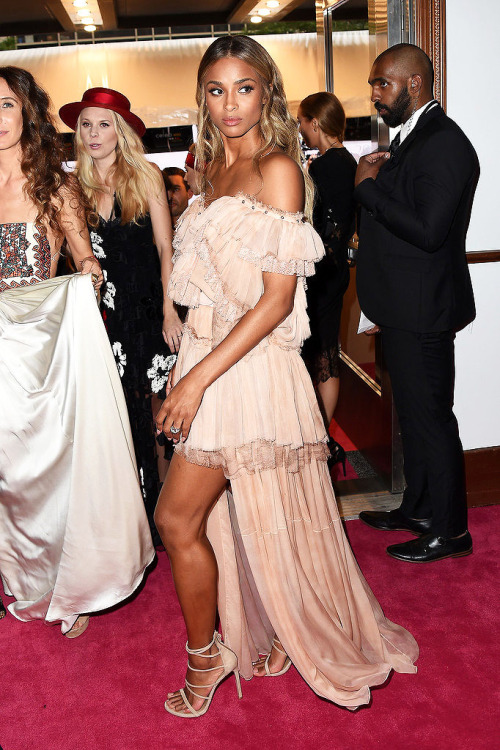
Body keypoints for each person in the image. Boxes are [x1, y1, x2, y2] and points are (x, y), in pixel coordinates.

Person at [153, 35, 418, 718]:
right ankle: (257, 634)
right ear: (203, 98)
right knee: (230, 515)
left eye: (244, 87)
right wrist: (186, 366)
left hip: (246, 368)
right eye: (216, 89)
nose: (230, 103)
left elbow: (275, 302)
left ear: (266, 92)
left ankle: (206, 657)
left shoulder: (278, 169)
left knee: (175, 518)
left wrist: (195, 381)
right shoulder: (209, 168)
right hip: (210, 357)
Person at [0, 66, 154, 637]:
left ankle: (67, 581)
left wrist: (89, 273)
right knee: (5, 473)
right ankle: (18, 575)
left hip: (42, 349)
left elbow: (83, 257)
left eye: (7, 105)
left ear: (28, 114)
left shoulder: (56, 186)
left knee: (47, 469)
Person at [354, 44, 479, 563]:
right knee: (414, 415)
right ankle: (420, 508)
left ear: (417, 84)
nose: (375, 93)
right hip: (405, 307)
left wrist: (368, 190)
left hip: (425, 310)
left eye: (384, 83)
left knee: (432, 420)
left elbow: (428, 232)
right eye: (374, 83)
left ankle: (450, 533)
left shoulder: (443, 143)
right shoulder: (412, 140)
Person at [59, 88, 182, 545]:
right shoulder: (72, 187)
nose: (94, 134)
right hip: (104, 316)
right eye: (86, 125)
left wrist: (171, 310)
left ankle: (167, 514)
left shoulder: (146, 175)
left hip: (151, 310)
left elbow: (168, 248)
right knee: (116, 417)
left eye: (103, 124)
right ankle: (132, 521)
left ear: (121, 130)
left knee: (158, 415)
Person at [297, 92, 357, 472]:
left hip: (319, 273)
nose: (300, 129)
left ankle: (318, 439)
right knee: (328, 352)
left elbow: (316, 226)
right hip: (336, 273)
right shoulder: (349, 161)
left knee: (313, 354)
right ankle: (324, 436)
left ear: (315, 123)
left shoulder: (320, 169)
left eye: (302, 121)